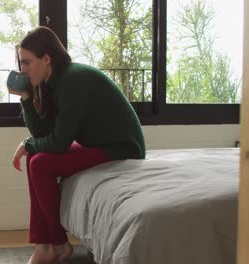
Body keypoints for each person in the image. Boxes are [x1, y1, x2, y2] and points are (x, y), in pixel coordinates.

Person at [8, 26, 146, 264]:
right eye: (21, 63)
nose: (23, 69)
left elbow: (59, 143)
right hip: (100, 143)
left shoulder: (72, 80)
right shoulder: (55, 82)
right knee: (36, 159)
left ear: (47, 59)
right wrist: (26, 98)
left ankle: (59, 245)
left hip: (122, 148)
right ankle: (45, 245)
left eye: (27, 62)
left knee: (40, 162)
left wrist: (29, 144)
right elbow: (43, 133)